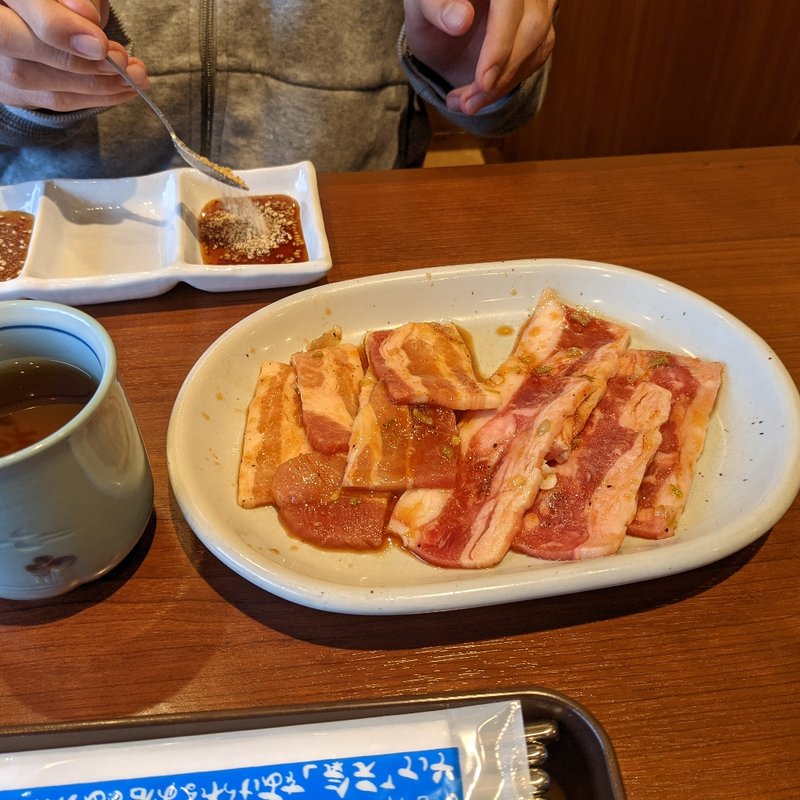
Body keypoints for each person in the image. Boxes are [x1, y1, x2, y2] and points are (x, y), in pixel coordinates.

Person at [0, 1, 557, 184]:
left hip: (353, 244)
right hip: (59, 263)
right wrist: (20, 88)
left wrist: (475, 63)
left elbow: (507, 113)